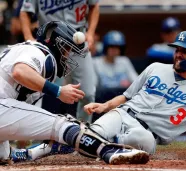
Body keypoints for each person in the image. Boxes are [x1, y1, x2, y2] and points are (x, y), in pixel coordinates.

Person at [0, 21, 149, 165]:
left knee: (4, 155)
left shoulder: (24, 48)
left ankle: (33, 152)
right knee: (61, 124)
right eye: (67, 49)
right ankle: (108, 150)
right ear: (57, 44)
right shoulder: (41, 53)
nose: (68, 55)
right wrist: (58, 91)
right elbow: (19, 71)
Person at [83, 31, 186, 157]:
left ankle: (104, 145)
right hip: (123, 114)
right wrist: (104, 106)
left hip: (146, 135)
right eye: (177, 49)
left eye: (185, 51)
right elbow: (126, 97)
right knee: (89, 135)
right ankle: (74, 135)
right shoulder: (155, 68)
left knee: (143, 140)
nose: (178, 54)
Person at [20, 0, 99, 122]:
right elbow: (25, 12)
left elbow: (94, 6)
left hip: (78, 41)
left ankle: (83, 132)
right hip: (50, 44)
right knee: (40, 91)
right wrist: (28, 37)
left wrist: (91, 32)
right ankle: (34, 135)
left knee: (87, 93)